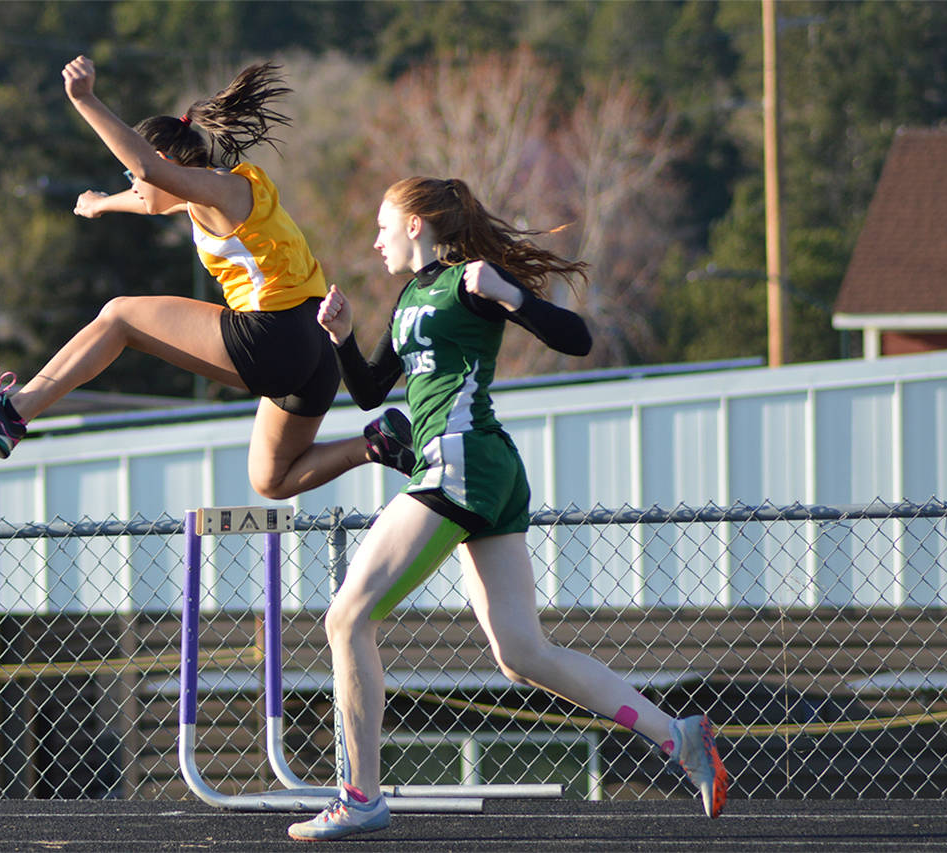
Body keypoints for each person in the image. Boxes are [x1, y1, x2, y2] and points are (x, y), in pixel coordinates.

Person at [287, 176, 727, 841]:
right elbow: (374, 391)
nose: (374, 239)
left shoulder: (471, 280)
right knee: (521, 653)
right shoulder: (413, 294)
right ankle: (680, 736)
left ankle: (360, 794)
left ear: (417, 224)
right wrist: (343, 337)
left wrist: (512, 294)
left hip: (463, 464)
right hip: (482, 470)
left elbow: (575, 338)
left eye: (384, 224)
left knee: (347, 617)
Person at [0, 56, 414, 498]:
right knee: (271, 479)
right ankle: (376, 445)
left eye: (132, 178)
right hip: (315, 351)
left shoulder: (221, 191)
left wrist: (85, 100)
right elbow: (151, 194)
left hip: (274, 336)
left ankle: (11, 414)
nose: (135, 185)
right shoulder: (219, 192)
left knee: (120, 316)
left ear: (167, 164)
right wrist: (103, 202)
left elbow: (145, 169)